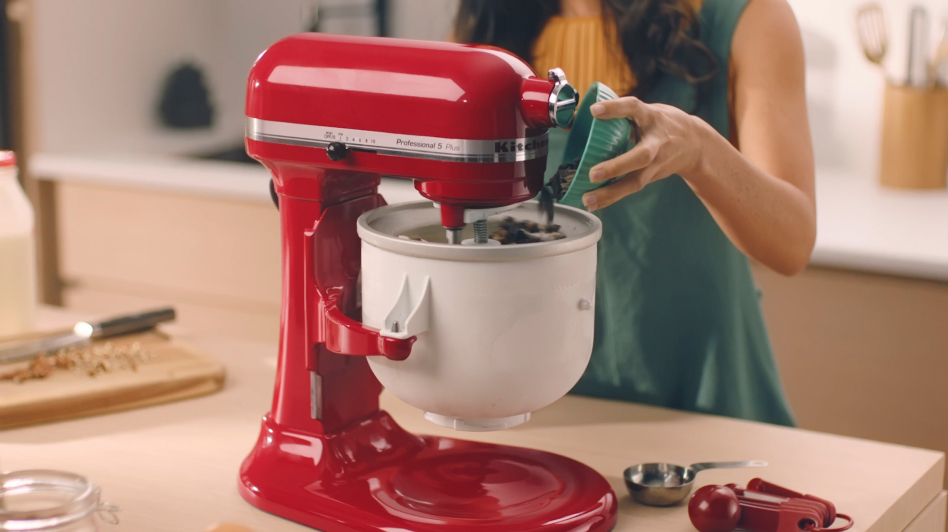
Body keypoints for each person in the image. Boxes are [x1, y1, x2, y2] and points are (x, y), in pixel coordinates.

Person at [454, 0, 815, 426]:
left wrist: (700, 150)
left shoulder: (745, 18)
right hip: (537, 394)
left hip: (701, 391)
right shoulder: (489, 24)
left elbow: (792, 243)